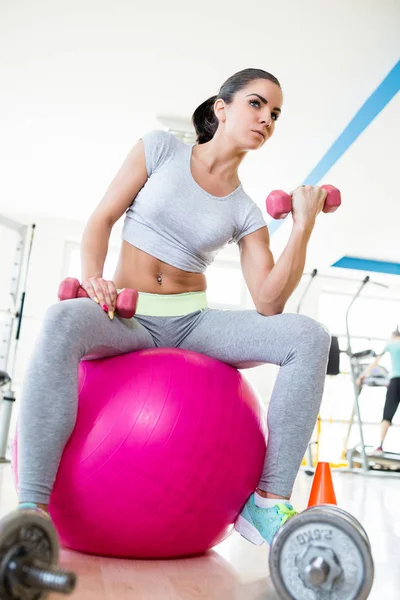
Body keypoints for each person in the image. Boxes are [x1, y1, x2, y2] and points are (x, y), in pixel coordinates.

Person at [16, 68, 331, 547]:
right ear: (221, 108)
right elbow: (102, 218)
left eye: (275, 113)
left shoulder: (246, 210)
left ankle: (266, 503)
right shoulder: (160, 148)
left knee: (308, 337)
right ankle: (31, 510)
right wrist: (93, 277)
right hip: (127, 316)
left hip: (192, 322)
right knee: (61, 320)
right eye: (256, 103)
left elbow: (270, 301)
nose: (266, 118)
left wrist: (303, 227)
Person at [357, 326, 400, 453]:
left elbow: (374, 363)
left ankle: (380, 445)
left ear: (393, 336)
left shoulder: (390, 345)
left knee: (387, 414)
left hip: (395, 381)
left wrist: (362, 375)